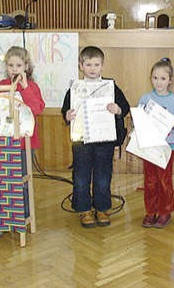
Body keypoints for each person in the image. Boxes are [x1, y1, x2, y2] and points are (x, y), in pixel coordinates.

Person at [61, 46, 130, 228]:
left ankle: (102, 208)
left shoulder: (110, 87)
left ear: (102, 66)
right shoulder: (75, 89)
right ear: (81, 65)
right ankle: (83, 209)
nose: (92, 68)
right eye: (88, 64)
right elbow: (65, 110)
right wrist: (67, 115)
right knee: (81, 176)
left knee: (103, 176)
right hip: (82, 140)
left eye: (96, 64)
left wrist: (118, 110)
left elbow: (125, 106)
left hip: (104, 140)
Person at [0, 46, 45, 238]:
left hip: (24, 143)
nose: (14, 69)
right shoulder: (2, 84)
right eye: (11, 65)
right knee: (4, 180)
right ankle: (3, 218)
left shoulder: (32, 86)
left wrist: (24, 87)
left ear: (26, 66)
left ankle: (22, 216)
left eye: (19, 65)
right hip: (5, 141)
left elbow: (37, 109)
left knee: (23, 180)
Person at [137, 58, 174, 228]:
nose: (158, 82)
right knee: (150, 181)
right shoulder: (145, 98)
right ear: (151, 78)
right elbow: (139, 120)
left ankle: (165, 212)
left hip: (167, 147)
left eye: (163, 78)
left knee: (164, 181)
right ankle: (150, 212)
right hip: (149, 146)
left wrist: (173, 124)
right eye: (155, 78)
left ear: (170, 80)